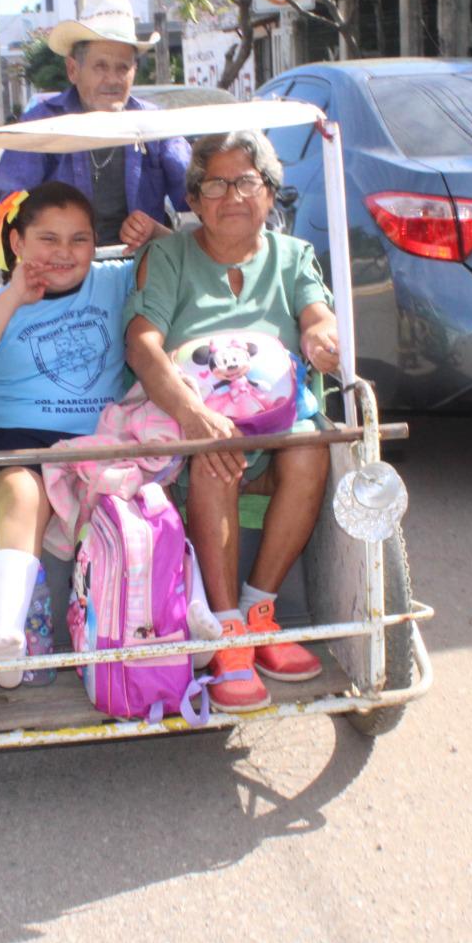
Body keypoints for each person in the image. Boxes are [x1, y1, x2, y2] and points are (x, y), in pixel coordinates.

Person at [123, 130, 342, 713]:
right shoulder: (168, 256)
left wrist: (322, 333)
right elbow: (142, 344)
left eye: (246, 181)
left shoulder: (292, 256)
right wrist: (192, 415)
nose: (231, 195)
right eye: (214, 184)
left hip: (276, 426)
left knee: (311, 445)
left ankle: (260, 610)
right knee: (215, 454)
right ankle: (225, 635)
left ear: (269, 193)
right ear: (194, 201)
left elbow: (316, 313)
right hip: (197, 429)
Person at [0, 182, 136, 687]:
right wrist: (14, 296)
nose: (65, 253)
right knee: (23, 493)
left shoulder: (117, 282)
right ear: (18, 243)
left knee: (141, 498)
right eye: (48, 239)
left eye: (80, 240)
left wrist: (156, 234)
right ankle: (8, 634)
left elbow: (178, 265)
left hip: (97, 445)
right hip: (18, 443)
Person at [0, 0, 189, 252]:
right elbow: (11, 202)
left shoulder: (154, 125)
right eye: (100, 67)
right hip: (64, 273)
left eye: (122, 68)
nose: (113, 79)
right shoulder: (44, 122)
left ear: (134, 71)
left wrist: (155, 229)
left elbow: (195, 196)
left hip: (143, 271)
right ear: (73, 70)